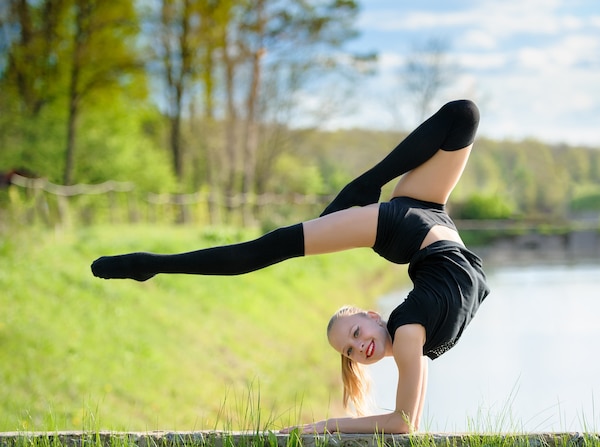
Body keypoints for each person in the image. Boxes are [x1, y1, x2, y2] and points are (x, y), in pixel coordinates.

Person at [91, 99, 490, 434]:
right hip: (430, 219)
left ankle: (153, 264)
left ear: (371, 315)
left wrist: (327, 425)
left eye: (354, 334)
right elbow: (408, 423)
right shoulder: (409, 344)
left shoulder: (406, 333)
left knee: (264, 250)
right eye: (351, 351)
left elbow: (403, 424)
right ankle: (348, 201)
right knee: (464, 116)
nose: (359, 348)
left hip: (401, 226)